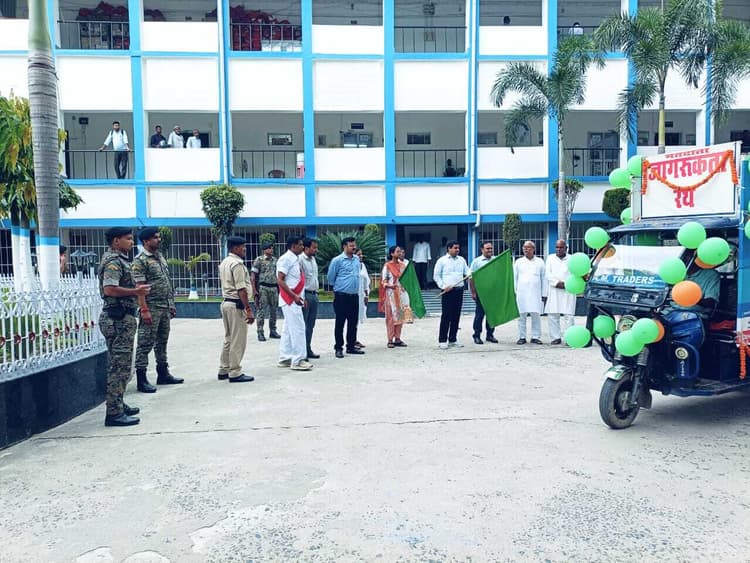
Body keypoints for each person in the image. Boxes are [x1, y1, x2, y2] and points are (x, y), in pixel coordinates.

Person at [98, 227, 151, 427]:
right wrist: (136, 291)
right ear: (116, 241)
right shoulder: (113, 262)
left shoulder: (120, 260)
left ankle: (118, 402)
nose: (131, 242)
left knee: (121, 365)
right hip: (117, 318)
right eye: (128, 239)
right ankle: (114, 413)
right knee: (119, 367)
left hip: (121, 317)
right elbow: (109, 289)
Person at [132, 227, 183, 393]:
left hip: (164, 306)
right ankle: (141, 379)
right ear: (145, 241)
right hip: (151, 306)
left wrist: (171, 304)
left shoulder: (159, 257)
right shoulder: (140, 261)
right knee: (145, 343)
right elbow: (139, 287)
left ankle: (163, 373)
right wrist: (144, 309)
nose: (158, 240)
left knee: (162, 342)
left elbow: (166, 282)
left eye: (159, 237)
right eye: (155, 237)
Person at [217, 236, 255, 383]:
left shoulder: (225, 262)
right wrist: (248, 309)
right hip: (236, 304)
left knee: (229, 338)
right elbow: (241, 289)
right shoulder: (237, 264)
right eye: (242, 246)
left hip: (226, 303)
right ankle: (235, 371)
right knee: (238, 340)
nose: (244, 249)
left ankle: (224, 369)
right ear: (234, 248)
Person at [277, 235, 312, 371]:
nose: (303, 247)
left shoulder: (295, 259)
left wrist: (301, 297)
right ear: (293, 246)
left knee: (288, 330)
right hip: (290, 299)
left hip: (295, 299)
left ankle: (285, 357)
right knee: (298, 329)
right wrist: (294, 296)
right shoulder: (285, 259)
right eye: (300, 245)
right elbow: (280, 280)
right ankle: (298, 360)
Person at [327, 236, 364, 358]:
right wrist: (341, 287)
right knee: (340, 323)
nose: (354, 247)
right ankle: (338, 348)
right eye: (351, 245)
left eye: (354, 245)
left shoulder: (357, 260)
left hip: (354, 296)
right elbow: (330, 278)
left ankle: (351, 346)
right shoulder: (337, 260)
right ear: (344, 246)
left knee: (353, 323)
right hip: (341, 296)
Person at [433, 240, 470, 349]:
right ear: (449, 248)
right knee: (446, 316)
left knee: (456, 315)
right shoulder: (442, 261)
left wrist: (471, 274)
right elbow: (436, 276)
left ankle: (453, 339)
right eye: (455, 248)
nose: (457, 250)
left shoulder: (462, 260)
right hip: (447, 291)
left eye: (458, 248)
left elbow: (467, 272)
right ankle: (442, 340)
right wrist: (443, 286)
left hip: (459, 290)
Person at [514, 240, 547, 345]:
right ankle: (522, 337)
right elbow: (514, 278)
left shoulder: (540, 262)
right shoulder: (518, 262)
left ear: (533, 249)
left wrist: (544, 294)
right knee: (521, 316)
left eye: (528, 247)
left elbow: (544, 278)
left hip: (536, 294)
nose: (525, 249)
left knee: (536, 316)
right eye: (524, 247)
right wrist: (515, 292)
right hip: (521, 294)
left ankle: (535, 337)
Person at [545, 240, 576, 345]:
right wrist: (556, 283)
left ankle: (569, 339)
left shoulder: (572, 259)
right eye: (557, 247)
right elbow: (548, 273)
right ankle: (555, 337)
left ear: (566, 248)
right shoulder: (550, 258)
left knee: (569, 315)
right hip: (554, 289)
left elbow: (575, 273)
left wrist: (567, 284)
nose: (558, 249)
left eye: (561, 247)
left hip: (569, 290)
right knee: (553, 314)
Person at [469, 241, 498, 345]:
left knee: (491, 315)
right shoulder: (477, 262)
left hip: (493, 292)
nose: (490, 250)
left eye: (491, 248)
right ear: (482, 249)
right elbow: (471, 278)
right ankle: (477, 335)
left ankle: (490, 335)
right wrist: (473, 292)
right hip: (481, 292)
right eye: (487, 248)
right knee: (479, 315)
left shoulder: (496, 260)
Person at [380, 245, 409, 348]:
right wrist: (389, 285)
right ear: (392, 253)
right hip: (391, 294)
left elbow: (406, 279)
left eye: (400, 251)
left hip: (401, 294)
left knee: (400, 316)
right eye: (397, 252)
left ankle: (397, 338)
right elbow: (384, 280)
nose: (400, 253)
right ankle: (390, 339)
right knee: (391, 317)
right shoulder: (387, 266)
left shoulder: (403, 265)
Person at [251, 242, 280, 341]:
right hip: (263, 288)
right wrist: (254, 290)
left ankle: (273, 330)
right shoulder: (259, 260)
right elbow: (253, 276)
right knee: (261, 310)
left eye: (272, 248)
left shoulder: (276, 260)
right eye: (269, 248)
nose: (271, 250)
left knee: (274, 310)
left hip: (274, 287)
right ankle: (260, 332)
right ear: (264, 250)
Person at [299, 237, 320, 360]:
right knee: (303, 324)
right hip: (305, 295)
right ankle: (301, 351)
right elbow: (299, 280)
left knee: (311, 325)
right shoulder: (300, 260)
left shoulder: (313, 259)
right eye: (314, 247)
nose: (316, 250)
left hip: (314, 294)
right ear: (306, 248)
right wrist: (302, 297)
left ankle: (308, 348)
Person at [355, 248, 369, 349]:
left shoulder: (362, 265)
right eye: (358, 254)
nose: (361, 256)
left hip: (361, 295)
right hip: (353, 294)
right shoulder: (352, 266)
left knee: (357, 318)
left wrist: (366, 295)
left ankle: (355, 339)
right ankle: (351, 340)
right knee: (352, 318)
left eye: (361, 254)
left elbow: (366, 281)